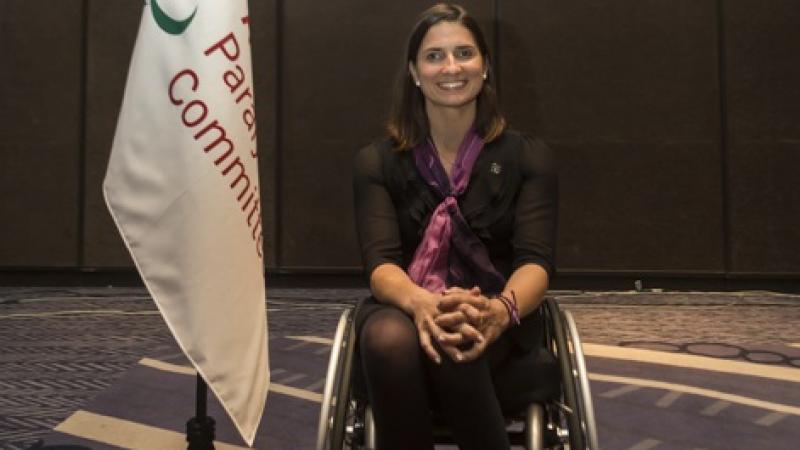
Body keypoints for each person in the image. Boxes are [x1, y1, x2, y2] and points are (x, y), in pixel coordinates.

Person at [352, 3, 558, 449]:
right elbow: (380, 265)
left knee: (459, 332)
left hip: (501, 308)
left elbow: (536, 264)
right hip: (404, 302)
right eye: (434, 56)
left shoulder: (527, 157)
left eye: (464, 53)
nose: (450, 67)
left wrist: (498, 311)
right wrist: (425, 303)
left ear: (485, 67)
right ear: (413, 71)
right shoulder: (377, 162)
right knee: (390, 337)